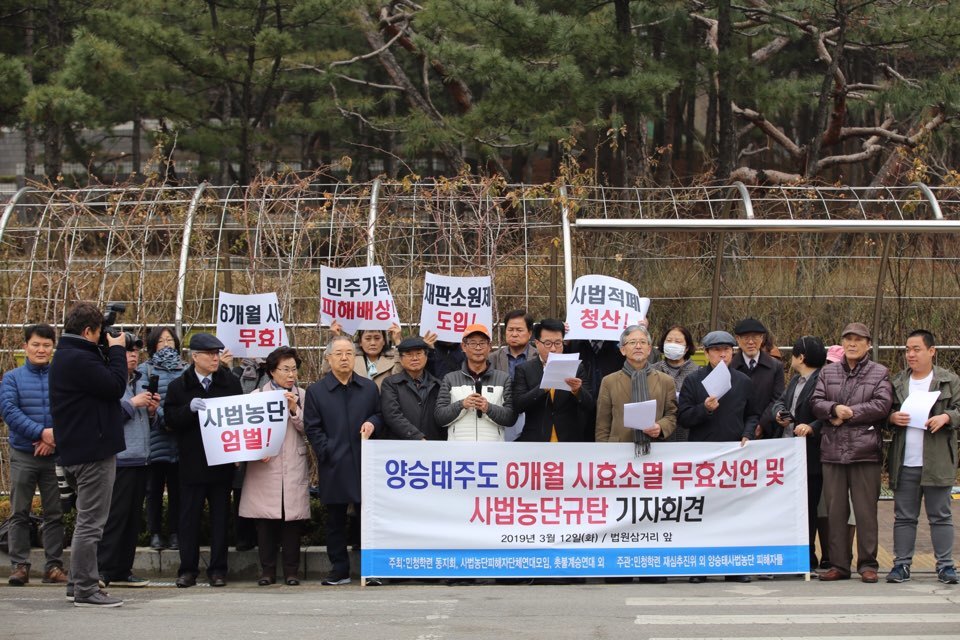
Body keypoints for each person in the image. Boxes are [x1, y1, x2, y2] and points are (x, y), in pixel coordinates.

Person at [49, 301, 128, 607]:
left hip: (80, 447)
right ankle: (85, 589)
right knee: (91, 523)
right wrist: (118, 350)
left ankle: (76, 584)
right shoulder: (78, 360)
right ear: (87, 331)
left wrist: (107, 349)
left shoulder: (71, 355)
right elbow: (115, 385)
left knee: (87, 520)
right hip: (92, 451)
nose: (103, 338)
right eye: (99, 333)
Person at [811, 322, 892, 583]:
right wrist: (833, 408)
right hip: (832, 450)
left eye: (858, 339)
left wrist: (849, 413)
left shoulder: (880, 372)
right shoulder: (828, 372)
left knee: (866, 510)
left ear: (868, 344)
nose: (852, 344)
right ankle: (838, 564)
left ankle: (868, 564)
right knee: (835, 511)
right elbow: (816, 402)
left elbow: (882, 404)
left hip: (865, 450)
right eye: (848, 339)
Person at [163, 333, 243, 588]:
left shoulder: (230, 383)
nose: (215, 358)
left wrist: (239, 453)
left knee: (221, 519)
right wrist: (188, 410)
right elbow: (169, 420)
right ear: (194, 356)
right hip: (192, 463)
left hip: (221, 462)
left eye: (217, 353)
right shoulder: (179, 386)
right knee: (188, 519)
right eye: (209, 354)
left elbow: (240, 417)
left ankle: (218, 570)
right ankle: (187, 569)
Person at [678, 330, 758, 584]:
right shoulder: (693, 381)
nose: (722, 354)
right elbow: (684, 417)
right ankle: (699, 567)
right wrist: (705, 409)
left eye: (726, 350)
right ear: (706, 353)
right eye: (716, 350)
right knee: (701, 511)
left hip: (733, 455)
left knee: (733, 513)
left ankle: (734, 567)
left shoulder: (743, 381)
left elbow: (753, 414)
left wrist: (748, 434)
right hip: (702, 455)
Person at [305, 335, 383, 586]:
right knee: (336, 519)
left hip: (365, 462)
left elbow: (380, 415)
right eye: (338, 353)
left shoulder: (368, 387)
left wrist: (373, 423)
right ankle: (339, 570)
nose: (344, 357)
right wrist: (327, 451)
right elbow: (312, 428)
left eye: (349, 353)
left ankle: (370, 570)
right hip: (335, 463)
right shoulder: (317, 391)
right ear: (328, 358)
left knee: (367, 519)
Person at [886, 329, 960, 585]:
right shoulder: (898, 382)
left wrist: (947, 417)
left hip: (937, 461)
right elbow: (884, 411)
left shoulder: (949, 381)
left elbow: (959, 409)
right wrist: (892, 418)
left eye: (916, 349)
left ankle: (946, 566)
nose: (910, 354)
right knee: (904, 516)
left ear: (932, 351)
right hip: (905, 462)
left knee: (940, 515)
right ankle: (901, 565)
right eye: (907, 350)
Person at [1, 323, 68, 586]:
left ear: (53, 348)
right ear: (25, 346)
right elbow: (9, 411)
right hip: (23, 453)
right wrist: (42, 433)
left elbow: (69, 410)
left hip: (54, 454)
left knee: (55, 512)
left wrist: (53, 440)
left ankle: (53, 567)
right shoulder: (12, 378)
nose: (41, 350)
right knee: (19, 511)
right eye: (36, 344)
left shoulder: (61, 377)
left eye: (47, 345)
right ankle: (19, 566)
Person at [239, 346, 310, 586]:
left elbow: (308, 429)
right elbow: (246, 433)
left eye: (294, 369)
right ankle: (267, 571)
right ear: (271, 372)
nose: (291, 375)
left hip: (293, 461)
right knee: (265, 520)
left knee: (292, 521)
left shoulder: (301, 395)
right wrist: (255, 452)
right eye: (285, 370)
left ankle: (292, 571)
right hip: (265, 466)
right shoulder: (256, 396)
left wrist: (294, 410)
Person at [98, 335, 159, 588]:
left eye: (136, 351)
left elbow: (148, 421)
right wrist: (133, 403)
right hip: (120, 458)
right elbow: (107, 417)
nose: (133, 356)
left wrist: (153, 410)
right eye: (127, 351)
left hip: (142, 457)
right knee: (115, 517)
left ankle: (123, 568)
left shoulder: (141, 380)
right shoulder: (109, 382)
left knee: (134, 519)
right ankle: (102, 569)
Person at [770, 335, 827, 572]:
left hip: (810, 453)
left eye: (793, 354)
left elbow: (827, 411)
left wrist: (812, 427)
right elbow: (780, 402)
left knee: (809, 507)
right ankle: (795, 553)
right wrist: (779, 413)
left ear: (800, 357)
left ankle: (808, 555)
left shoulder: (823, 379)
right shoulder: (795, 380)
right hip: (790, 451)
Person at [138, 326, 185, 552]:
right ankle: (155, 532)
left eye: (170, 340)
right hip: (154, 437)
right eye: (161, 341)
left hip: (179, 439)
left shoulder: (186, 369)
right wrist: (164, 418)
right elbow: (144, 401)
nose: (166, 344)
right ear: (152, 345)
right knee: (153, 489)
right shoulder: (145, 370)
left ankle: (175, 532)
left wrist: (175, 420)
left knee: (178, 490)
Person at [513, 318, 594, 442]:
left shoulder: (576, 367)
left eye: (558, 343)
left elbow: (590, 404)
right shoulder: (524, 369)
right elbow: (518, 405)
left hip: (569, 440)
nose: (553, 349)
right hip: (535, 440)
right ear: (537, 343)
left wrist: (578, 391)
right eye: (548, 343)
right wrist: (543, 387)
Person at [595, 325, 676, 445]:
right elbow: (602, 423)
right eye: (632, 342)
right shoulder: (609, 381)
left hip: (655, 449)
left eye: (643, 342)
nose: (638, 346)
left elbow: (672, 415)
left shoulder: (666, 381)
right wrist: (604, 452)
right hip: (619, 450)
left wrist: (660, 427)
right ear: (623, 350)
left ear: (649, 349)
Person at [435, 324, 516, 441]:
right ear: (463, 346)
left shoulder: (503, 378)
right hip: (458, 450)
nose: (478, 348)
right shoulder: (450, 379)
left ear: (489, 347)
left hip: (493, 450)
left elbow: (510, 418)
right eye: (473, 343)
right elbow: (439, 418)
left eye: (482, 343)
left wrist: (488, 408)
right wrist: (462, 404)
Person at [731, 317, 785, 439]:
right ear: (738, 339)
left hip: (767, 431)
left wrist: (761, 424)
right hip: (736, 432)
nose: (751, 342)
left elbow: (778, 399)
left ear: (762, 339)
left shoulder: (775, 366)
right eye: (746, 338)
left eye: (755, 337)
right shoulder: (730, 367)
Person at [381, 336, 444, 441]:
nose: (414, 358)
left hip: (432, 446)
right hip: (401, 447)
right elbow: (392, 415)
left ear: (426, 357)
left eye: (419, 354)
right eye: (409, 355)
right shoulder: (390, 384)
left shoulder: (438, 385)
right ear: (400, 359)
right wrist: (417, 437)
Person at [651, 324, 700, 441]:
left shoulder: (698, 372)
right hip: (658, 434)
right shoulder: (651, 370)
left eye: (678, 341)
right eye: (669, 340)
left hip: (688, 435)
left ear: (687, 347)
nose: (673, 344)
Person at [327, 320, 403, 387]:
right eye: (368, 338)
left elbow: (399, 378)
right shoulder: (349, 359)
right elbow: (328, 371)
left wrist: (397, 341)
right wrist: (335, 339)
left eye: (377, 338)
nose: (373, 343)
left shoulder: (394, 360)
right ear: (360, 342)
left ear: (384, 341)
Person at [489, 309, 536, 377]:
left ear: (530, 333)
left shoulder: (539, 357)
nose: (514, 334)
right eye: (510, 330)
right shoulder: (493, 358)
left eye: (519, 330)